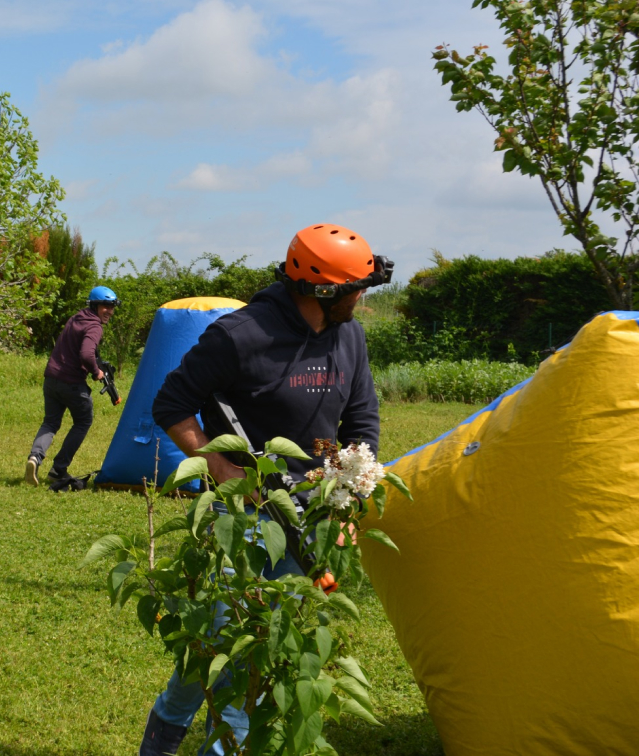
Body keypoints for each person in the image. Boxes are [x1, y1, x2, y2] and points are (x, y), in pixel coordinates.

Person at [138, 223, 393, 756]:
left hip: (310, 521)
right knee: (228, 657)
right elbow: (171, 405)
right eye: (355, 288)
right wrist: (222, 470)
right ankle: (174, 736)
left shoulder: (350, 335)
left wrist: (345, 497)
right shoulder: (239, 335)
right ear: (323, 290)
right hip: (244, 520)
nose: (363, 298)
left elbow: (359, 420)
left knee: (259, 652)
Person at [24, 286, 120, 486]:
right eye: (106, 306)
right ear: (94, 305)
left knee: (50, 422)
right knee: (83, 421)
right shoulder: (95, 326)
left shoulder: (77, 318)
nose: (109, 311)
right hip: (71, 383)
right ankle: (59, 469)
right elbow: (86, 354)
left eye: (112, 307)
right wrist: (96, 372)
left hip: (51, 379)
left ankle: (35, 458)